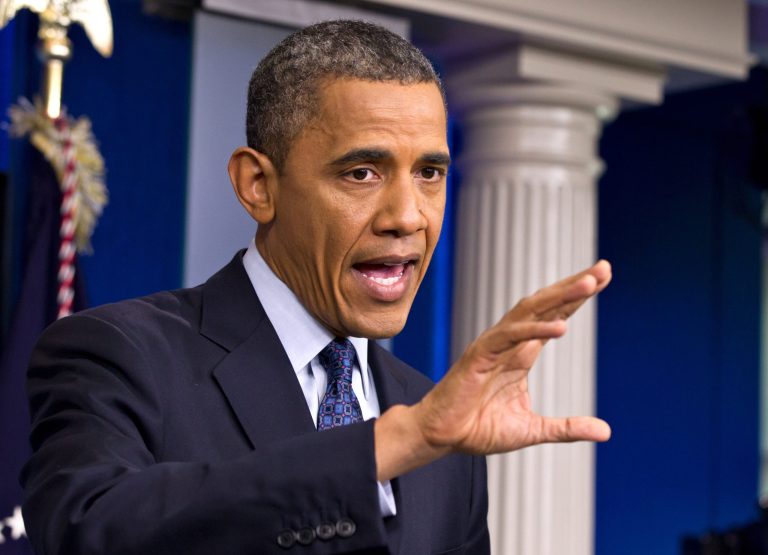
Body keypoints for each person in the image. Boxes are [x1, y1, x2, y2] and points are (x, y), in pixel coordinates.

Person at [21, 20, 612, 555]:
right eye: (362, 172)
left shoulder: (438, 425)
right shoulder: (119, 352)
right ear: (258, 186)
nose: (407, 216)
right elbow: (85, 530)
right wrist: (378, 450)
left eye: (429, 173)